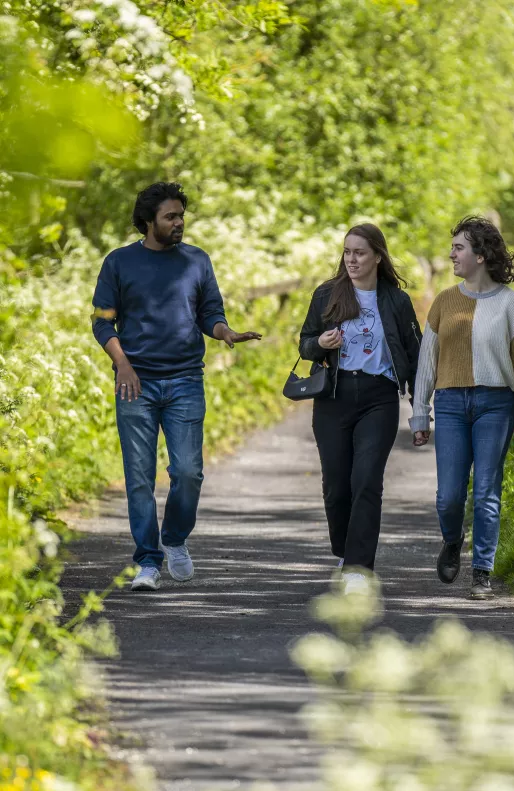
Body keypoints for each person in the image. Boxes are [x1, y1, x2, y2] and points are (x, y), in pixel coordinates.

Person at [91, 181, 261, 592]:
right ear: (148, 222)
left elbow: (210, 312)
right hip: (136, 384)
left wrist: (224, 332)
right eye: (171, 216)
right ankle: (147, 561)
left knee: (188, 472)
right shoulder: (119, 263)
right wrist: (124, 366)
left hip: (186, 379)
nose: (179, 222)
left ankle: (175, 539)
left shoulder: (196, 261)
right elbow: (101, 321)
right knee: (139, 477)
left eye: (181, 215)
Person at [410, 216, 514, 599]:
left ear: (480, 255)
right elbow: (427, 362)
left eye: (459, 248)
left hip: (495, 405)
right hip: (450, 404)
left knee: (486, 491)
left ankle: (482, 571)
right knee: (448, 496)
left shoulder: (510, 305)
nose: (451, 255)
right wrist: (421, 412)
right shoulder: (445, 302)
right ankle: (453, 540)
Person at [299, 223, 422, 592]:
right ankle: (345, 551)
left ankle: (358, 568)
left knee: (366, 479)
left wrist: (420, 413)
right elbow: (305, 345)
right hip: (333, 397)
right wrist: (320, 341)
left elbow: (414, 359)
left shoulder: (396, 300)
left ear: (377, 257)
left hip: (378, 398)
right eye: (347, 252)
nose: (351, 259)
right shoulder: (327, 295)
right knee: (336, 487)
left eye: (360, 253)